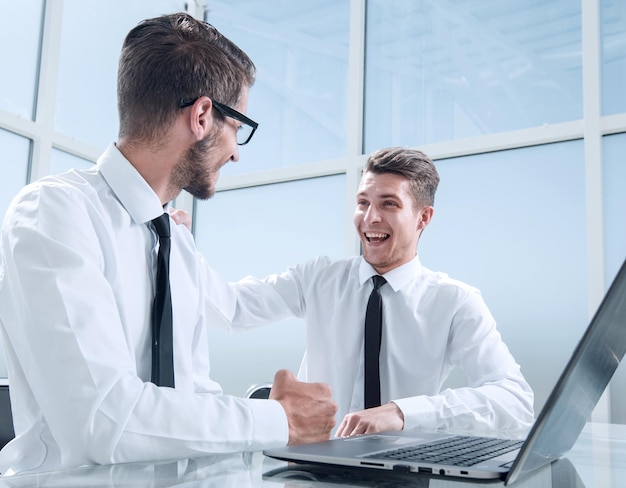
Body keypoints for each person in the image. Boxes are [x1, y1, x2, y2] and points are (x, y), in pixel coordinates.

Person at [0, 13, 336, 476]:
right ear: (202, 116)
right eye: (238, 126)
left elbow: (194, 396)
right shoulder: (53, 213)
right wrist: (278, 419)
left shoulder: (174, 242)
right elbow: (103, 420)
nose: (237, 150)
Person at [204, 147, 534, 437]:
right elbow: (231, 310)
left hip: (401, 473)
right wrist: (177, 248)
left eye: (388, 204)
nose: (370, 218)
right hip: (313, 469)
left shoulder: (454, 302)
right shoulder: (320, 278)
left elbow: (514, 400)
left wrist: (403, 413)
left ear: (423, 217)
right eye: (363, 202)